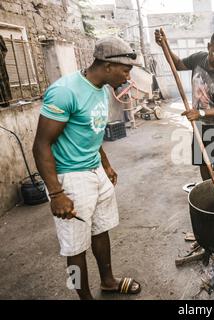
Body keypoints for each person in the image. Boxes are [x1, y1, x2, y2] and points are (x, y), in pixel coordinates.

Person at [33, 37, 142, 300]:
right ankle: (83, 297)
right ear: (107, 65)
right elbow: (41, 146)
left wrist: (105, 164)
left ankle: (108, 281)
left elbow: (91, 132)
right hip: (70, 178)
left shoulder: (102, 88)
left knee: (100, 229)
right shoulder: (65, 91)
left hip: (95, 171)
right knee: (74, 246)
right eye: (125, 70)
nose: (127, 77)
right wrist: (57, 193)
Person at [155, 29, 214, 181]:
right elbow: (179, 64)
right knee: (203, 162)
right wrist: (165, 45)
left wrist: (200, 113)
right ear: (209, 47)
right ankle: (209, 193)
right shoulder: (199, 58)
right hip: (200, 125)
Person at [0, 35, 12, 108]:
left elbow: (4, 50)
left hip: (0, 64)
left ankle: (5, 101)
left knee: (2, 82)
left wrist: (1, 58)